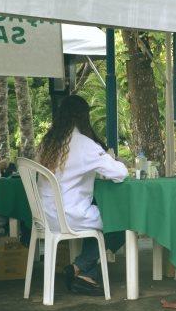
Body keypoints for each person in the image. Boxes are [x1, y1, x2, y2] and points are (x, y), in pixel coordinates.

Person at [37, 95, 128, 296]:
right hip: (71, 215)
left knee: (101, 217)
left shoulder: (47, 143)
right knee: (121, 220)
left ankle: (85, 274)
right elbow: (120, 173)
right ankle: (80, 269)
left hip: (45, 216)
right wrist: (111, 159)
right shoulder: (84, 144)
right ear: (83, 117)